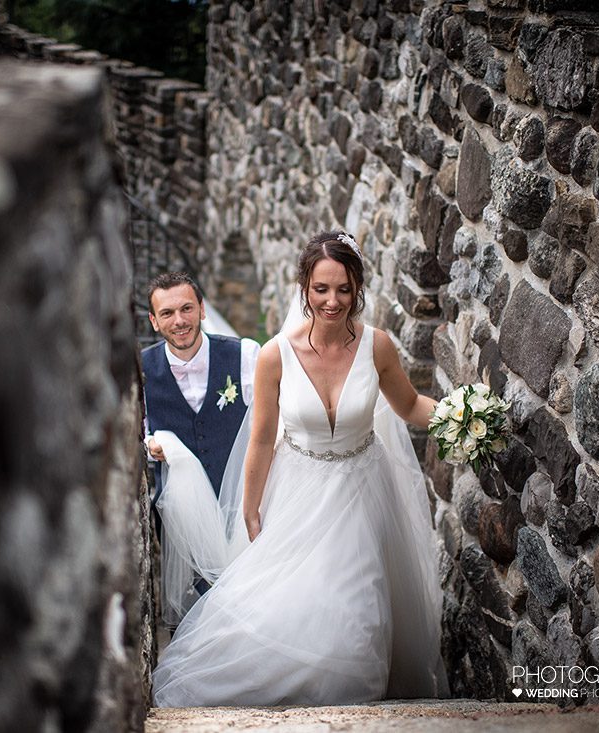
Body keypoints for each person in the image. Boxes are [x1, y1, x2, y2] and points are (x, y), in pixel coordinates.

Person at [152, 232, 448, 707]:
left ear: (358, 290)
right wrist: (250, 507)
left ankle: (356, 700)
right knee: (295, 605)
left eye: (344, 289)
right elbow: (263, 438)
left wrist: (463, 416)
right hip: (297, 493)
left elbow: (411, 405)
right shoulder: (275, 355)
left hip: (362, 493)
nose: (333, 301)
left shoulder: (378, 347)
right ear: (304, 289)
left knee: (359, 611)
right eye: (321, 289)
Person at [141, 271, 260, 624]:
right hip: (181, 516)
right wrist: (152, 446)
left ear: (202, 310)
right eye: (167, 313)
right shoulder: (142, 369)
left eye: (186, 308)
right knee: (198, 614)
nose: (179, 321)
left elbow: (268, 424)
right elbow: (141, 433)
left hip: (240, 506)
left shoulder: (244, 355)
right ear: (154, 321)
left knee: (249, 601)